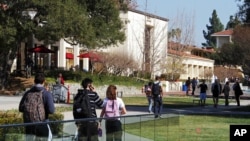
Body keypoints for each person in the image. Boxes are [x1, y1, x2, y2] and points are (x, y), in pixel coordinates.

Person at [19, 73, 55, 141]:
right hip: (42, 124)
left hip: (29, 125)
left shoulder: (28, 93)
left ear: (34, 81)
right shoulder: (46, 93)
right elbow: (51, 110)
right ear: (44, 82)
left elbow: (20, 108)